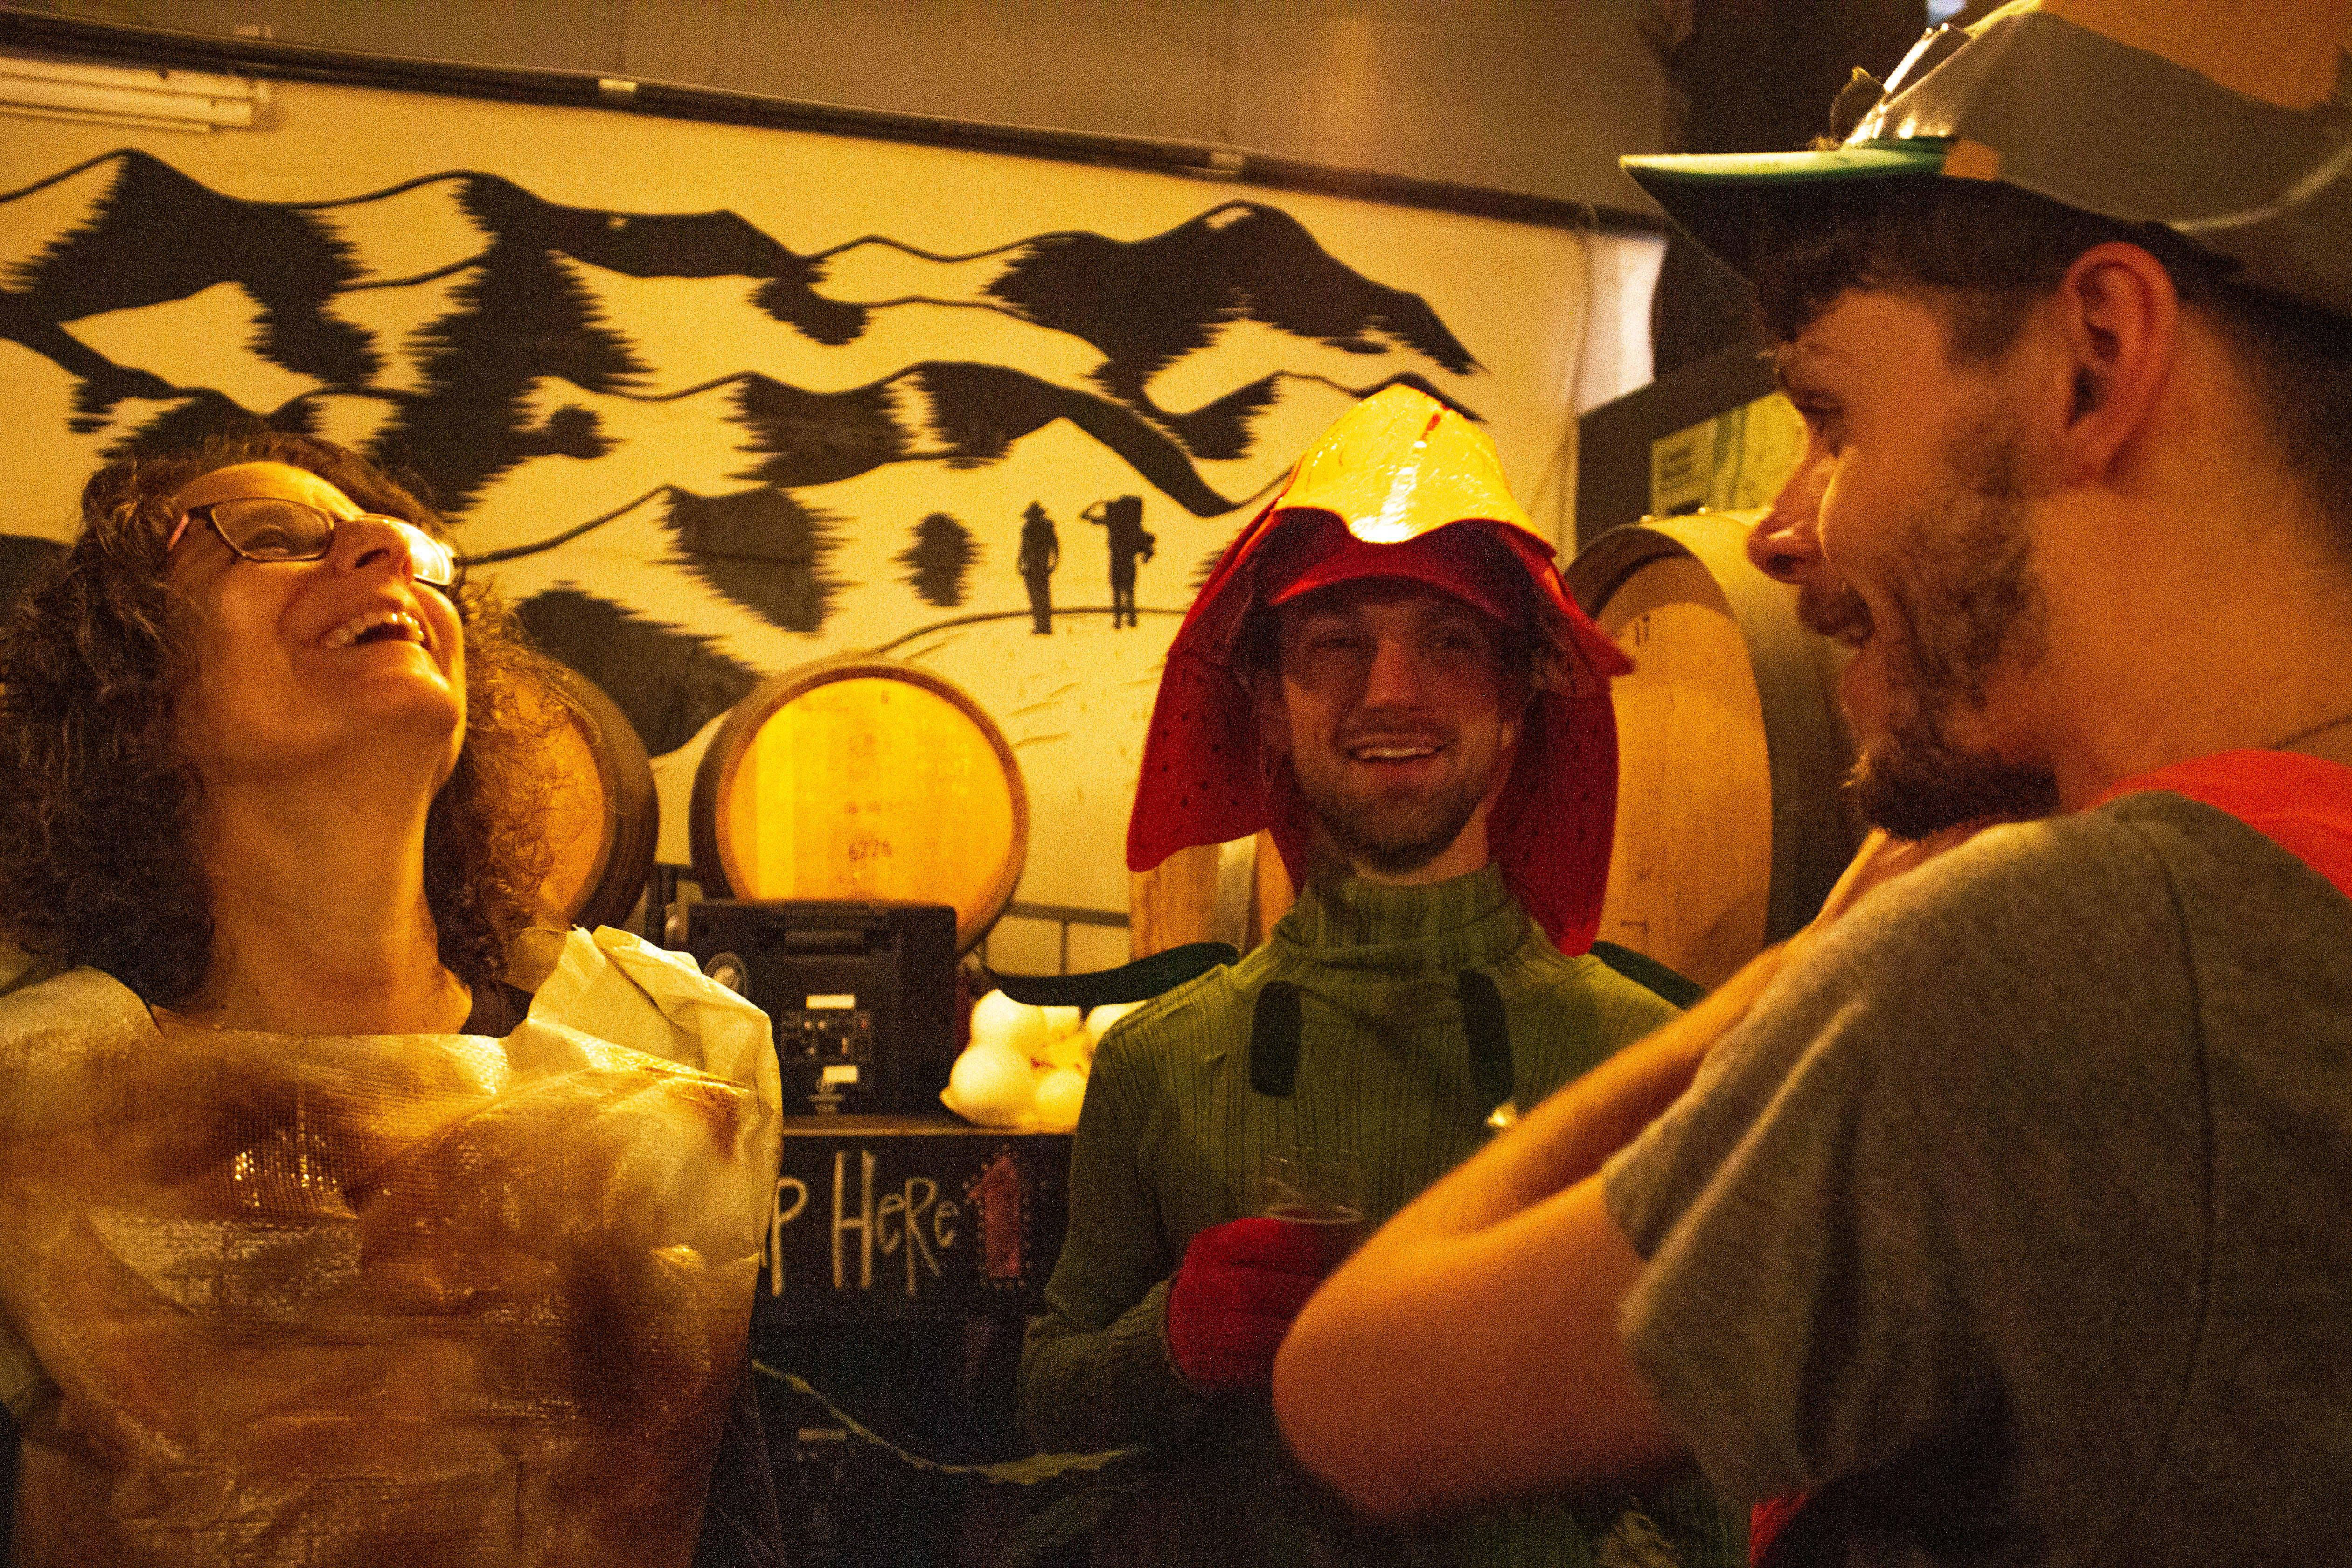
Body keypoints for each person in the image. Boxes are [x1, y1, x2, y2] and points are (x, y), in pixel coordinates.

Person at [1272, 4, 2352, 1562]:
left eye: (1830, 414)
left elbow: (1355, 1395)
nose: (1778, 529)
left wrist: (1791, 978)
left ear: (2094, 360)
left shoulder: (2073, 959)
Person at [0, 431, 785, 1566]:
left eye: (410, 550)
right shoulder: (37, 1105)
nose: (383, 552)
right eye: (271, 538)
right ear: (132, 683)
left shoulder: (652, 1058)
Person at [1019, 386, 1740, 1565]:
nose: (1390, 691)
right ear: (1267, 702)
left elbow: (1718, 1496)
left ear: (1520, 699)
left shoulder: (1651, 1063)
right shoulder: (1159, 1060)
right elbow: (1048, 1403)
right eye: (1334, 646)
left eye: (1448, 642)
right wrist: (1174, 1345)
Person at [1019, 500, 1060, 634]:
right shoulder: (1030, 528)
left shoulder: (1045, 527)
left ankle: (1044, 626)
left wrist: (1054, 564)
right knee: (1038, 597)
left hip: (1039, 567)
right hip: (1034, 567)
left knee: (1040, 597)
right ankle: (1042, 626)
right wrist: (1020, 563)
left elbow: (1055, 547)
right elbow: (1023, 549)